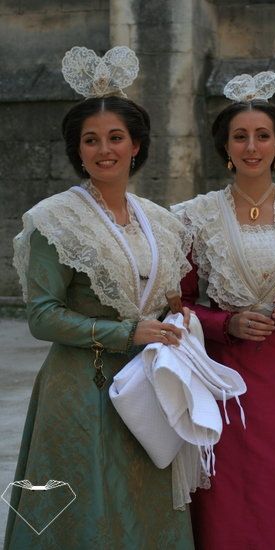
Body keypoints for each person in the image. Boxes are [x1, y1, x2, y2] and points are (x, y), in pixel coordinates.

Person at [4, 46, 194, 549]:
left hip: (149, 380)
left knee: (142, 494)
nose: (103, 149)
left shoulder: (161, 220)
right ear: (78, 149)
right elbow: (42, 316)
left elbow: (163, 296)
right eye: (91, 140)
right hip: (80, 386)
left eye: (116, 137)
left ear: (136, 146)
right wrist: (124, 331)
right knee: (85, 502)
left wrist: (177, 317)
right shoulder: (53, 220)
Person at [172, 71, 275, 549]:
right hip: (226, 375)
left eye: (262, 136)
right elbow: (179, 304)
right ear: (225, 147)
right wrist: (225, 322)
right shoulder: (194, 216)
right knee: (234, 486)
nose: (251, 146)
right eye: (239, 136)